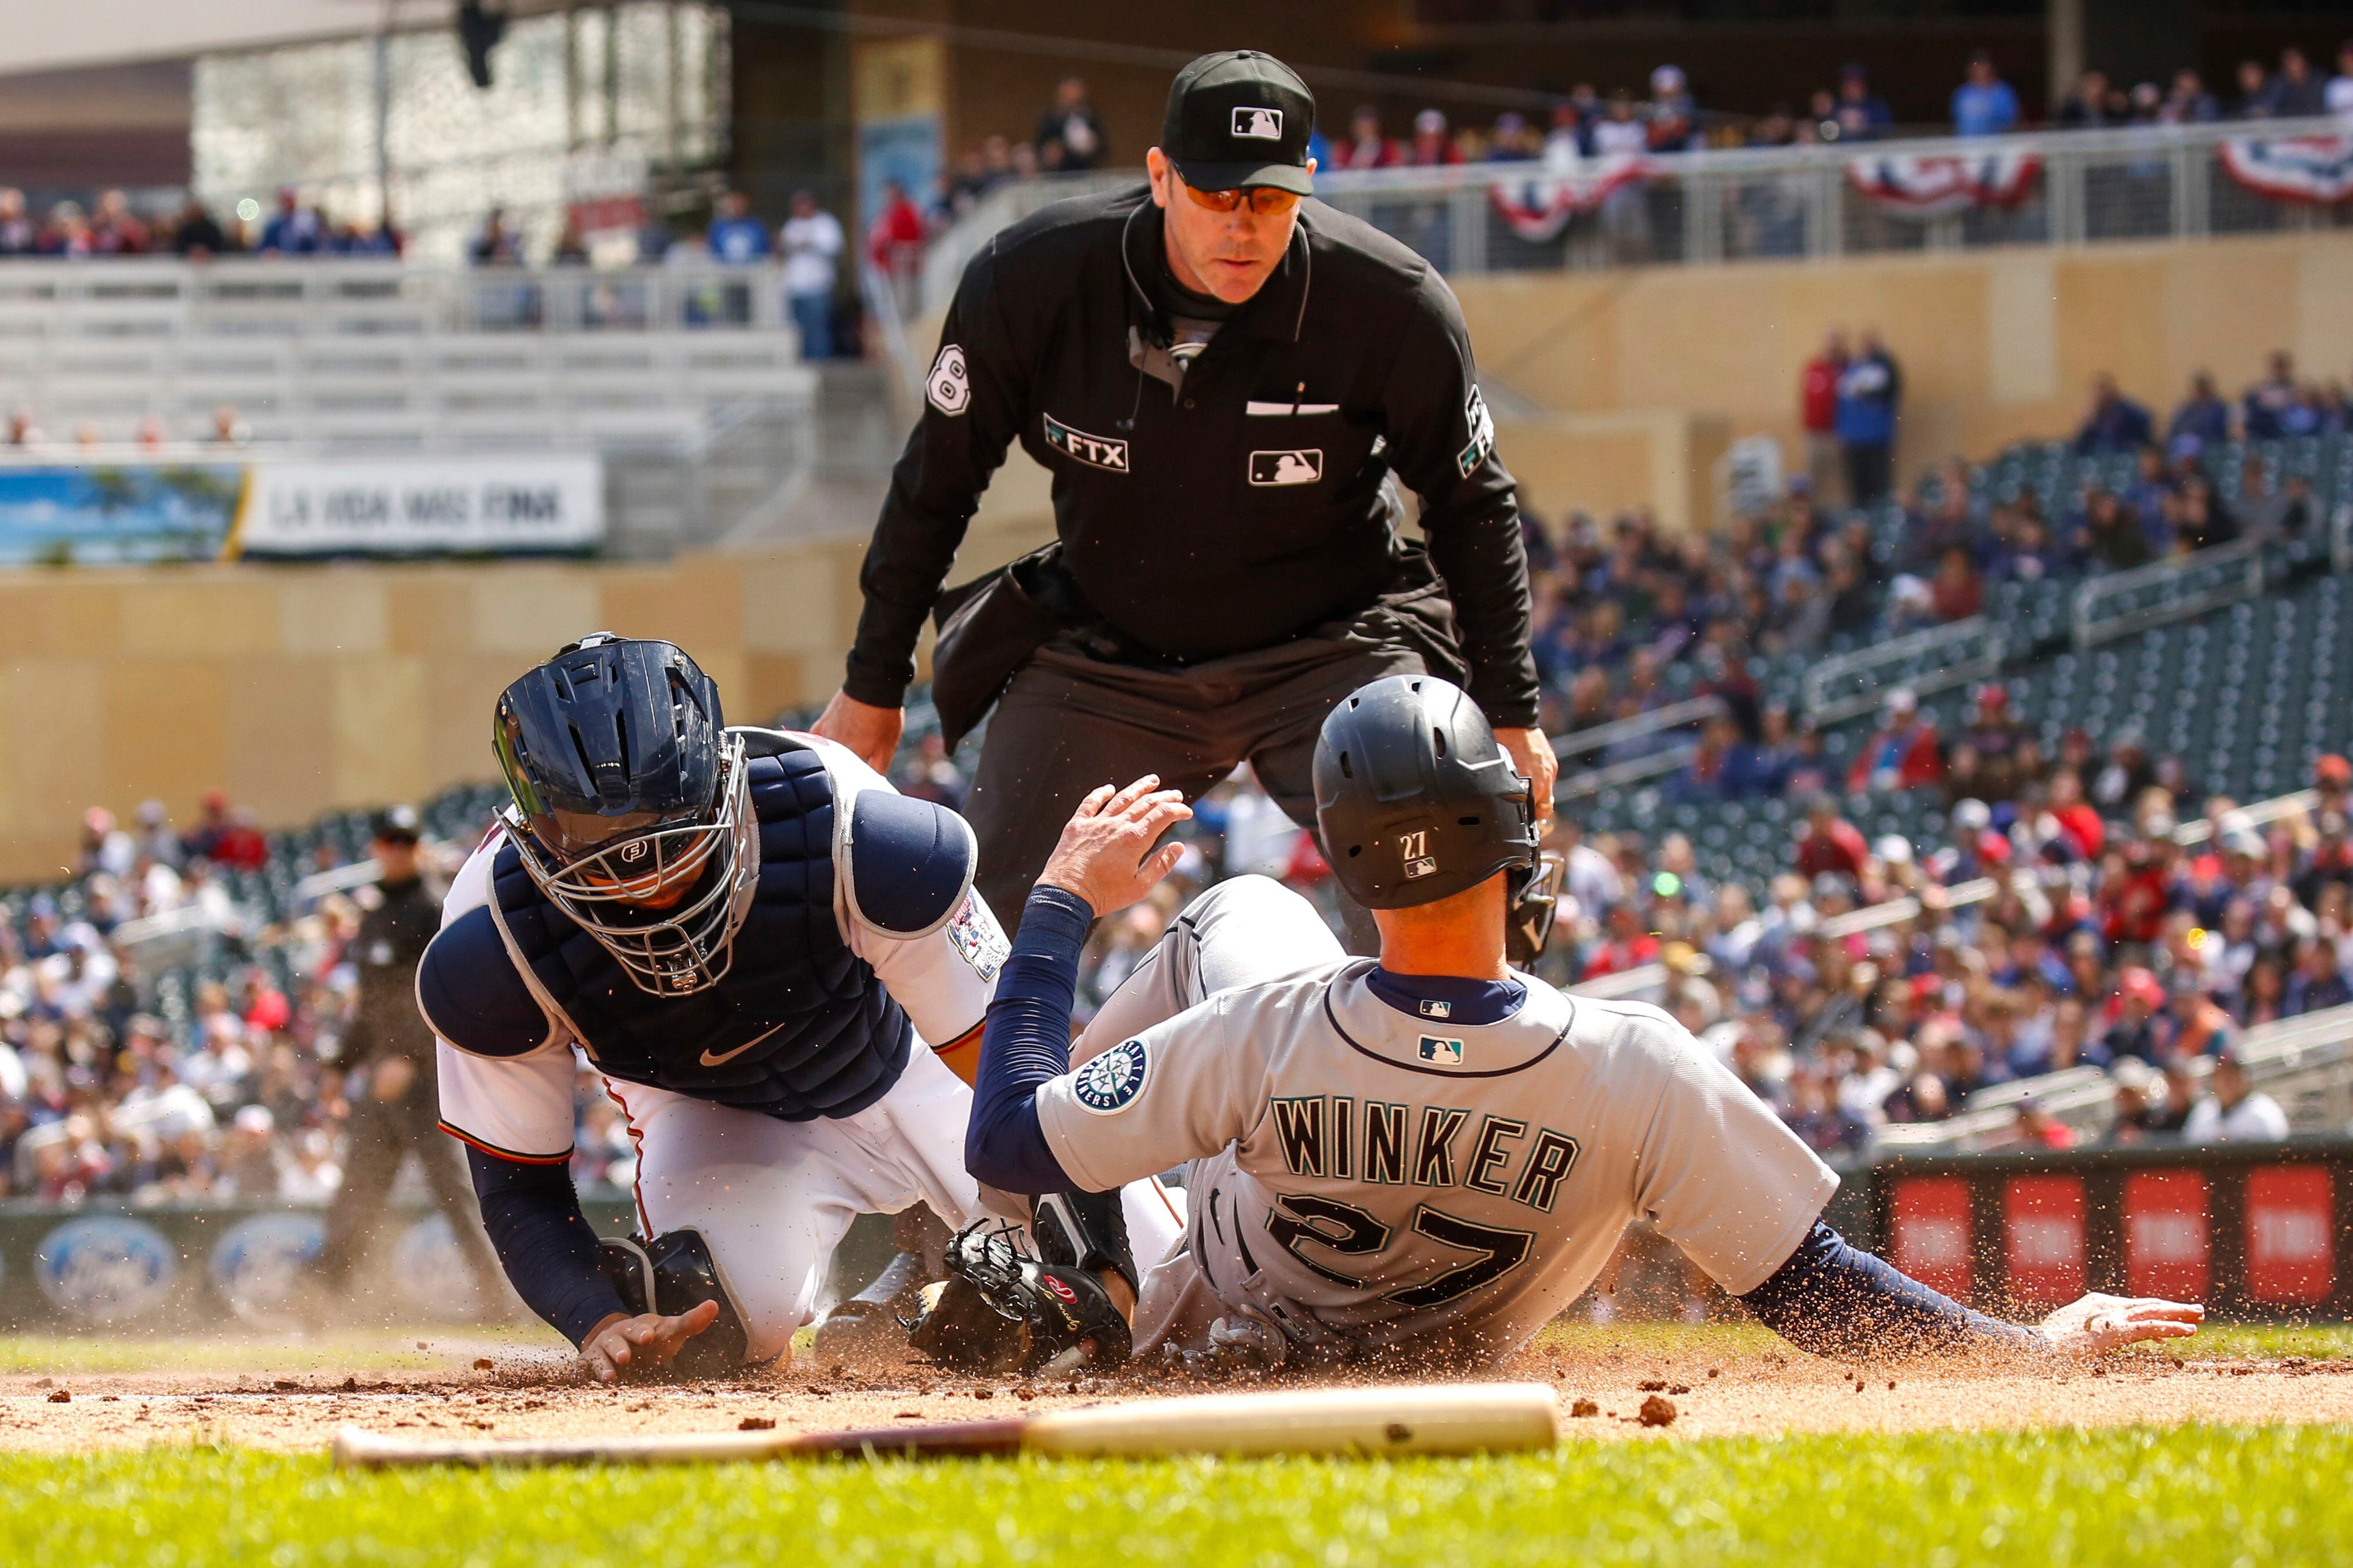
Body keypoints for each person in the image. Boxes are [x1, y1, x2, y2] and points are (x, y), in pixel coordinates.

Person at [950, 675, 2202, 1371]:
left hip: (1213, 1304)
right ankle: (1099, 1260)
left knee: (1221, 913)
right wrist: (2026, 1347)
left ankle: (1092, 1269)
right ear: (1508, 834)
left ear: (1346, 866)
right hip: (1446, 1345)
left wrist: (1060, 899)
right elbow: (1814, 1290)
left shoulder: (1261, 1030)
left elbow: (1002, 1139)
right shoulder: (1633, 1065)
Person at [811, 50, 1555, 950]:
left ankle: (1450, 1077)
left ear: (1308, 185)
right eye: (1216, 195)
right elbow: (936, 484)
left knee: (1460, 891)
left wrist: (1511, 713)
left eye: (1270, 200)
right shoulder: (1033, 280)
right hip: (1113, 655)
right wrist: (872, 687)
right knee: (972, 929)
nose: (1242, 227)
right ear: (1160, 177)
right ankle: (989, 1095)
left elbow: (1472, 504)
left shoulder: (1390, 304)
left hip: (1334, 648)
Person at [421, 634, 1179, 1380]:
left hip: (910, 1056)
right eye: (604, 854)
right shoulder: (490, 941)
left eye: (668, 838)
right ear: (530, 837)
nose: (647, 884)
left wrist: (1104, 1257)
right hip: (716, 1116)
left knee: (1169, 1295)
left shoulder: (854, 825)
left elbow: (1019, 1077)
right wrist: (600, 1317)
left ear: (723, 778)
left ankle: (933, 1265)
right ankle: (901, 1293)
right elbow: (518, 1186)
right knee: (702, 1328)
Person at [320, 807, 503, 1303]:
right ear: (376, 847)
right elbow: (371, 1002)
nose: (396, 848)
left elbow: (450, 990)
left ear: (418, 846)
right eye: (388, 840)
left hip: (429, 1077)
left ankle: (500, 1299)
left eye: (406, 840)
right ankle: (320, 1299)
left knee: (455, 1191)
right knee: (358, 1189)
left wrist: (411, 1056)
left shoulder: (434, 907)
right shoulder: (375, 913)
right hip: (384, 1071)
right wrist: (340, 1064)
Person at [1835, 328, 1900, 506]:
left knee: (1879, 484)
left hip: (1876, 438)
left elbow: (1892, 389)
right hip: (1854, 438)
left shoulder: (1885, 367)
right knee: (1857, 485)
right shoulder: (1851, 369)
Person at [779, 190, 844, 361]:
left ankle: (821, 363)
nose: (801, 208)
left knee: (818, 327)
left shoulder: (825, 223)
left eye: (805, 204)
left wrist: (810, 244)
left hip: (818, 285)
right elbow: (784, 247)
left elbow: (834, 247)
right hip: (795, 286)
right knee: (799, 329)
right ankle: (804, 361)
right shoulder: (792, 225)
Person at [2182, 1052, 2289, 1142]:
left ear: (2244, 1078)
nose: (2227, 1082)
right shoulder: (2203, 1112)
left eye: (2232, 1076)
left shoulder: (2264, 1111)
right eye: (2222, 1076)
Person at [1799, 329, 1849, 506]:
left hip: (1836, 435)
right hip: (1814, 434)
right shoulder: (1814, 368)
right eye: (1829, 342)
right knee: (1814, 479)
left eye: (1836, 342)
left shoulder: (1846, 369)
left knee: (1838, 480)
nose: (1832, 346)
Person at [1037, 77, 1107, 171]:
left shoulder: (1090, 117)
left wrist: (1094, 146)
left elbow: (1104, 148)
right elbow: (1040, 145)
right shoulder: (1051, 119)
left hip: (1085, 172)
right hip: (1058, 174)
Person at [2074, 374, 2154, 454]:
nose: (2101, 394)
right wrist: (2089, 423)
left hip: (2124, 456)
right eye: (2098, 390)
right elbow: (2082, 443)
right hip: (2101, 457)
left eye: (2103, 389)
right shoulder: (2098, 415)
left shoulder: (2127, 410)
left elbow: (2145, 423)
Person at [1952, 52, 2021, 136]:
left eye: (1984, 67)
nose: (1981, 71)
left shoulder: (2003, 92)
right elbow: (1957, 121)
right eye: (1977, 67)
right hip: (1968, 143)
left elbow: (2012, 121)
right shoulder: (1962, 93)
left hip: (1997, 142)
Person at [704, 190, 771, 264]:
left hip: (753, 269)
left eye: (739, 205)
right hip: (726, 270)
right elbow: (712, 250)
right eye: (733, 205)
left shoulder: (756, 225)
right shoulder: (718, 227)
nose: (736, 208)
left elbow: (766, 247)